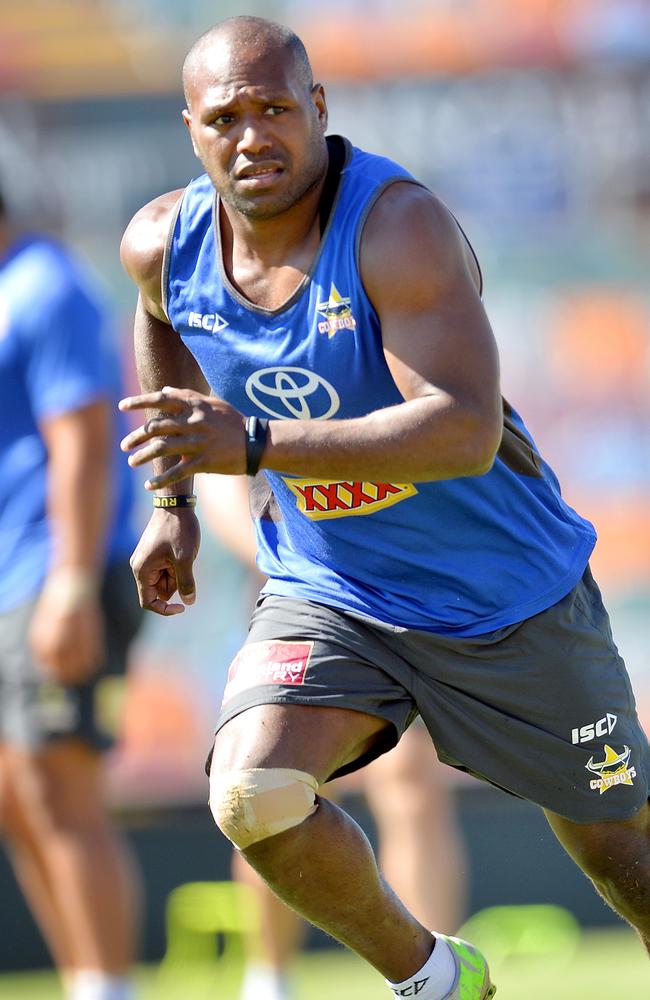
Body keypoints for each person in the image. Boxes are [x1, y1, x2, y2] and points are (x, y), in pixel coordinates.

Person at [118, 15, 650, 1000]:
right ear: (189, 129)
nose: (251, 136)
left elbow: (460, 432)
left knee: (618, 849)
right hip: (334, 592)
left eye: (274, 108)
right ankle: (437, 980)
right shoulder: (162, 242)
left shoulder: (396, 226)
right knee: (250, 789)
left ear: (318, 109)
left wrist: (257, 447)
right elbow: (160, 322)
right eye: (224, 117)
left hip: (506, 599)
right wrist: (172, 505)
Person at [198, 472, 468, 1000]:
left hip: (395, 594)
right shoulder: (243, 390)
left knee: (411, 779)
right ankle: (270, 980)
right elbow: (218, 478)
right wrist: (307, 560)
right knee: (266, 787)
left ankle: (438, 980)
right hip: (297, 596)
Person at [0, 189, 143, 1000]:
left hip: (50, 578)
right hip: (8, 585)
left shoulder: (44, 286)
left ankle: (108, 987)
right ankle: (83, 983)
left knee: (60, 791)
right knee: (20, 803)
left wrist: (70, 583)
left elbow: (83, 440)